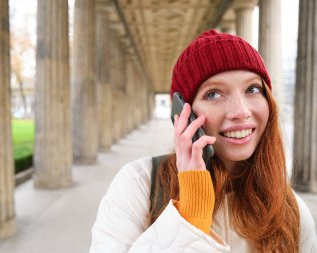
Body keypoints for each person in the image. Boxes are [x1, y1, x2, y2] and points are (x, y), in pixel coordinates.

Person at [89, 30, 317, 252]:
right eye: (213, 94)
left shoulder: (292, 210)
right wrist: (189, 217)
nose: (240, 111)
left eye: (253, 89)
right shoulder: (138, 184)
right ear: (183, 114)